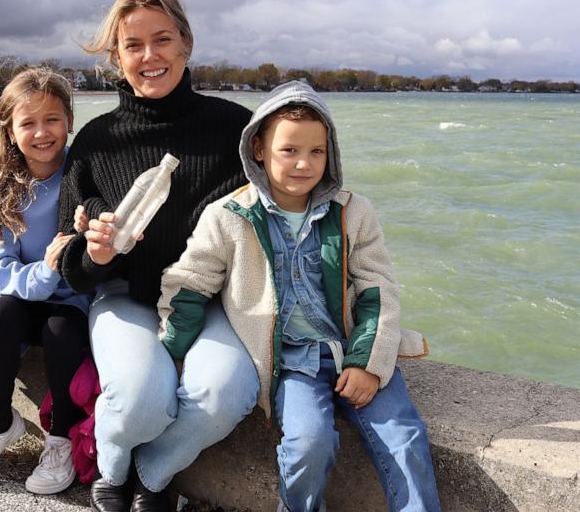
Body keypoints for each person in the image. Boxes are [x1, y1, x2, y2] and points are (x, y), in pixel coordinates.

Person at [157, 81, 441, 511]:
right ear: (258, 149)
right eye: (289, 150)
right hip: (291, 363)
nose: (304, 164)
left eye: (316, 151)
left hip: (352, 348)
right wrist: (170, 353)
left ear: (331, 153)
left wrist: (366, 364)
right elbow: (189, 284)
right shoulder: (229, 216)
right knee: (309, 443)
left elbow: (378, 290)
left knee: (404, 437)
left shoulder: (354, 211)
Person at [57, 0, 259, 512]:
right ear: (116, 56)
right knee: (141, 402)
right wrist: (96, 250)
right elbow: (70, 266)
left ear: (186, 44)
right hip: (125, 292)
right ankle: (114, 463)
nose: (150, 55)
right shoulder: (95, 142)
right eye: (133, 44)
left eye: (163, 39)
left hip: (209, 297)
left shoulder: (237, 129)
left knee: (223, 394)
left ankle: (152, 473)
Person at [0, 67, 91, 496]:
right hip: (29, 292)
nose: (42, 132)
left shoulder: (83, 176)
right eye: (28, 123)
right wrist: (43, 273)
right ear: (9, 131)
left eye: (52, 120)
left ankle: (61, 437)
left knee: (61, 328)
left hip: (74, 302)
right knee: (1, 311)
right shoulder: (4, 189)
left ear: (69, 121)